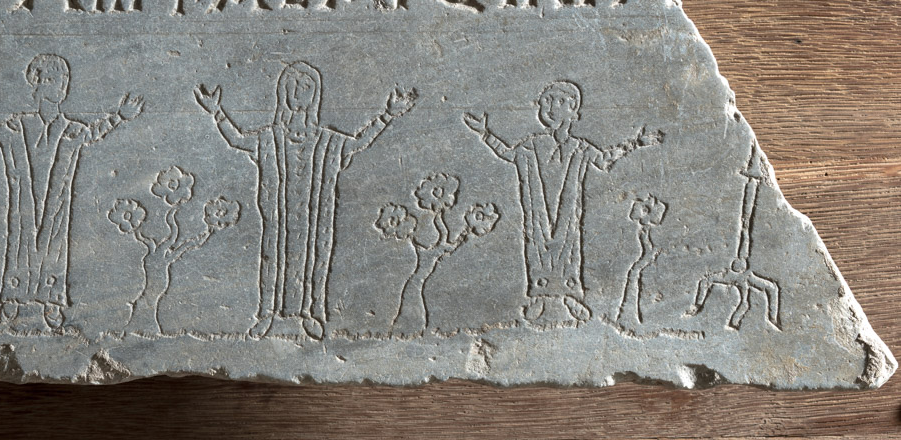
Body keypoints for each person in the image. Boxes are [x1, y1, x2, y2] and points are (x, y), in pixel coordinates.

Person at [195, 61, 417, 339]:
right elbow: (238, 140)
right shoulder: (270, 137)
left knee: (315, 256)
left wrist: (388, 115)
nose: (299, 93)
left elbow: (357, 143)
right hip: (280, 212)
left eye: (306, 87)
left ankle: (310, 312)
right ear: (283, 92)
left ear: (315, 95)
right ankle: (268, 313)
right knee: (273, 256)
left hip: (315, 213)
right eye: (294, 86)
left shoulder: (326, 140)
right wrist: (216, 112)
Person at [0, 54, 145, 330]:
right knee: (20, 243)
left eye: (62, 80)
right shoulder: (18, 125)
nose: (60, 87)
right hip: (24, 200)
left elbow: (93, 133)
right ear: (37, 84)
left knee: (55, 246)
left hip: (56, 202)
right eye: (51, 80)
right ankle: (13, 298)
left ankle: (51, 300)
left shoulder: (71, 129)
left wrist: (119, 117)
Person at [463, 81, 662, 328]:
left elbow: (603, 160)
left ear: (573, 110)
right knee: (536, 247)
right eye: (545, 102)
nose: (550, 108)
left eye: (558, 102)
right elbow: (508, 154)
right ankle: (540, 298)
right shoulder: (532, 145)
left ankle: (569, 297)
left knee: (569, 250)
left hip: (568, 213)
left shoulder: (580, 147)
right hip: (538, 210)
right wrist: (485, 134)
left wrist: (636, 143)